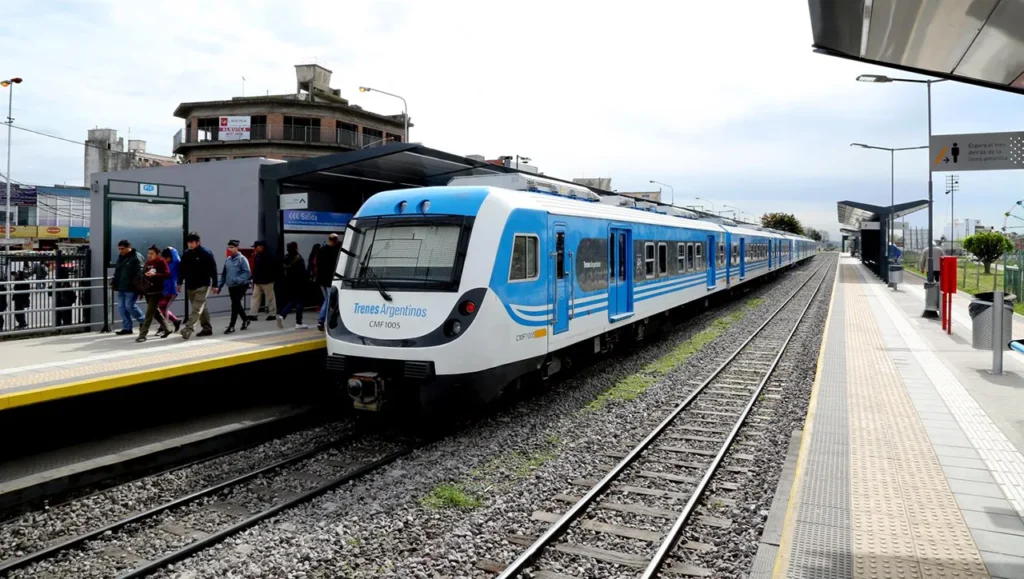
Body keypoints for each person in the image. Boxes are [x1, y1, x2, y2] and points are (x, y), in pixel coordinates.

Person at [177, 232, 218, 340]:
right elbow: (182, 269)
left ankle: (188, 329)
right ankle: (207, 328)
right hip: (190, 285)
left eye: (192, 242)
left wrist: (215, 284)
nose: (189, 244)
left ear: (198, 242)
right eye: (188, 242)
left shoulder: (206, 253)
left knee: (196, 308)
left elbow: (213, 269)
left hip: (203, 285)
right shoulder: (186, 254)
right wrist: (179, 282)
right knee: (200, 307)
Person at [214, 239, 252, 333]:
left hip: (241, 285)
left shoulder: (242, 259)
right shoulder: (228, 260)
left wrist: (237, 280)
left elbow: (247, 273)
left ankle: (232, 326)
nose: (230, 249)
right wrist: (219, 286)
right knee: (236, 304)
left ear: (237, 248)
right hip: (231, 286)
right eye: (229, 247)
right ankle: (245, 319)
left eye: (232, 247)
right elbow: (224, 274)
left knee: (235, 304)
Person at [136, 245, 172, 342]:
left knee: (149, 313)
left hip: (157, 291)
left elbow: (167, 274)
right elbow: (142, 275)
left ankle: (142, 334)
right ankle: (168, 329)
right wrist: (141, 291)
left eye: (152, 253)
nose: (149, 255)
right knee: (155, 312)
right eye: (148, 253)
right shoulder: (148, 262)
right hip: (148, 290)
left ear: (157, 254)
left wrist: (155, 275)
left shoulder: (161, 261)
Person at [111, 239, 145, 335]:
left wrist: (139, 288)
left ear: (129, 247)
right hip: (121, 286)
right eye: (119, 249)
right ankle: (127, 328)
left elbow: (140, 273)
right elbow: (117, 271)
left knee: (129, 306)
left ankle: (143, 320)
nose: (121, 251)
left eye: (122, 249)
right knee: (122, 308)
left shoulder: (136, 257)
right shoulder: (121, 257)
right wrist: (114, 282)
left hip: (131, 287)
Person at [276, 241, 309, 329]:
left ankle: (282, 316)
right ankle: (298, 322)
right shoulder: (299, 259)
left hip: (289, 283)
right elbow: (303, 272)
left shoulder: (286, 258)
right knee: (299, 303)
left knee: (293, 301)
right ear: (295, 248)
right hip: (299, 283)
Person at [315, 234, 341, 331]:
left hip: (322, 281)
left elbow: (318, 264)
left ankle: (323, 320)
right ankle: (321, 320)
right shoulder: (335, 251)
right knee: (328, 301)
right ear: (335, 240)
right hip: (330, 280)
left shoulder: (321, 250)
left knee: (327, 300)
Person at [248, 240, 277, 322]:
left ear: (261, 247)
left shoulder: (268, 256)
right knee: (256, 297)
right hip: (259, 281)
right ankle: (253, 314)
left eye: (255, 247)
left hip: (267, 281)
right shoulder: (259, 255)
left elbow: (272, 268)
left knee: (270, 298)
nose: (254, 249)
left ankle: (272, 314)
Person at [160, 247, 182, 333]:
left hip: (171, 289)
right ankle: (175, 321)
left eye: (167, 258)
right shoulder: (164, 264)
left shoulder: (175, 263)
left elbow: (176, 257)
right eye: (164, 258)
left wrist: (172, 249)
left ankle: (164, 327)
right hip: (163, 289)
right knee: (161, 308)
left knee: (164, 307)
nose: (165, 260)